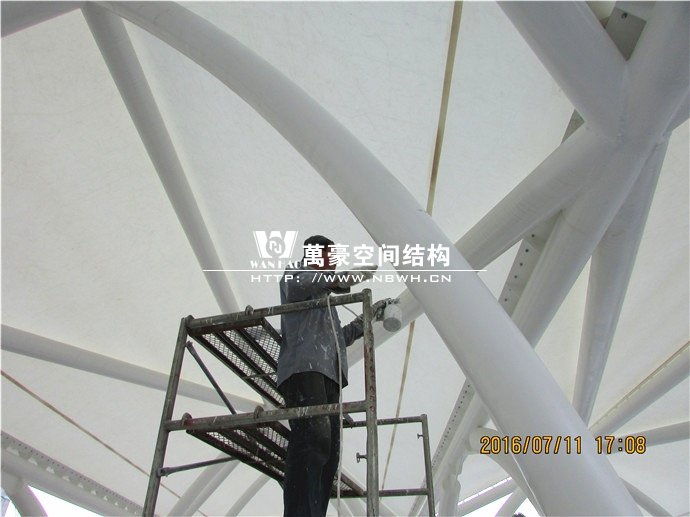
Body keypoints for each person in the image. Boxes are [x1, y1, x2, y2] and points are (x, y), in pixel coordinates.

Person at [277, 235, 387, 517]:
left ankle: (314, 513)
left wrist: (368, 317)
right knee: (313, 439)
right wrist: (342, 279)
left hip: (329, 376)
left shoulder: (325, 301)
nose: (334, 263)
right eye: (330, 257)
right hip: (304, 369)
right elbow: (297, 286)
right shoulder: (296, 275)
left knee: (329, 452)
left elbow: (339, 339)